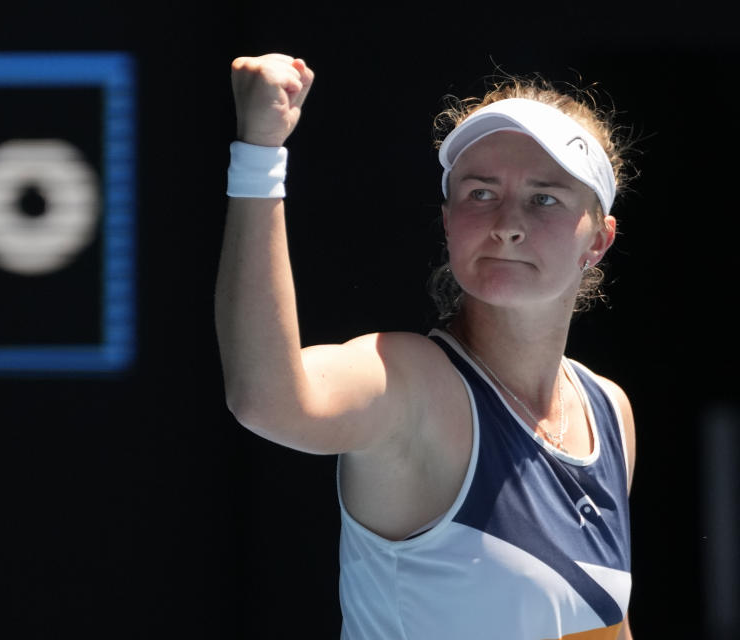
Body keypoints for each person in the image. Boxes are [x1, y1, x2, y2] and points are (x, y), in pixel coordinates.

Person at [216, 53, 636, 639]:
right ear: (448, 220)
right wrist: (260, 155)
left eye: (545, 198)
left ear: (598, 239)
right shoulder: (409, 382)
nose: (507, 223)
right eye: (481, 193)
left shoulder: (607, 411)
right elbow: (265, 399)